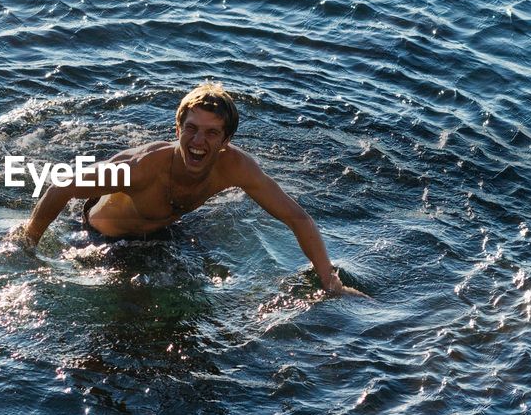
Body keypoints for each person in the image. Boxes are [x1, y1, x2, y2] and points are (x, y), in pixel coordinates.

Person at [18, 82, 363, 297]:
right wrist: (28, 243)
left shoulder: (236, 166)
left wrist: (329, 280)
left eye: (212, 133)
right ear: (178, 127)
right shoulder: (141, 169)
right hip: (102, 240)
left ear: (226, 140)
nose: (198, 142)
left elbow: (297, 217)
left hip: (163, 230)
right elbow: (62, 185)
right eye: (191, 129)